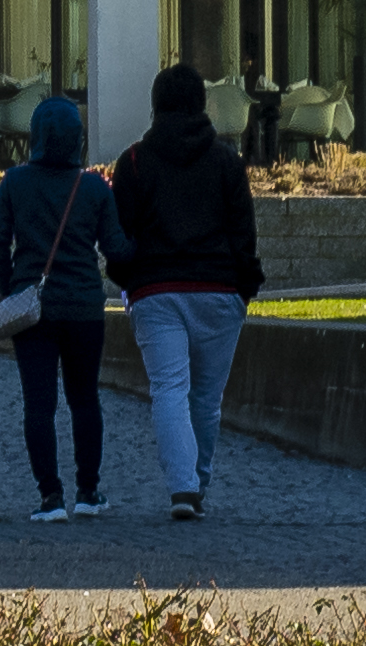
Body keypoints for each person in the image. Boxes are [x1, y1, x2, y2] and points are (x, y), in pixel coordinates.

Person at [106, 63, 270, 522]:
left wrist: (128, 280)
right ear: (202, 103)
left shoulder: (135, 161)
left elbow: (122, 234)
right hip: (219, 290)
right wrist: (244, 287)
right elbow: (244, 233)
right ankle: (196, 482)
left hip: (156, 289)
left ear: (156, 105)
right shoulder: (225, 161)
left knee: (169, 390)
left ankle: (184, 486)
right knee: (206, 398)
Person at [0, 93, 124, 518]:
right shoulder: (94, 187)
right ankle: (88, 491)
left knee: (38, 405)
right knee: (85, 400)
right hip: (84, 307)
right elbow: (115, 247)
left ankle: (50, 496)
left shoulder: (14, 183)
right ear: (77, 139)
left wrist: (12, 287)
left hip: (34, 310)